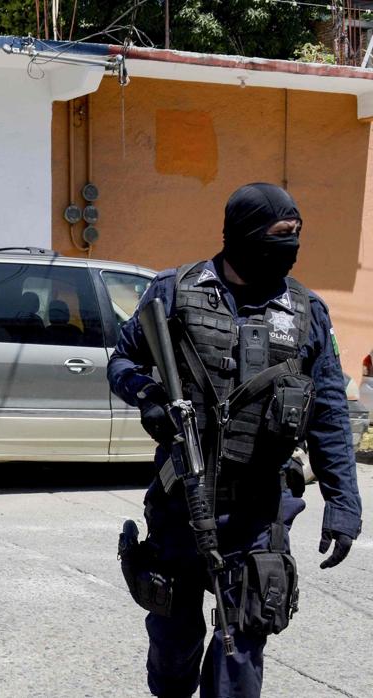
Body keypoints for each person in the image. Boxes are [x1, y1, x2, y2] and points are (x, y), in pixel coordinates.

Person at [109, 183, 362, 697]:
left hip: (259, 514)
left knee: (241, 651)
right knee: (173, 649)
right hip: (180, 504)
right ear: (243, 234)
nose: (291, 247)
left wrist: (343, 502)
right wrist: (150, 397)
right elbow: (121, 361)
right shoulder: (174, 290)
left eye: (296, 237)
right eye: (280, 235)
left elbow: (330, 412)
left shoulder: (307, 311)